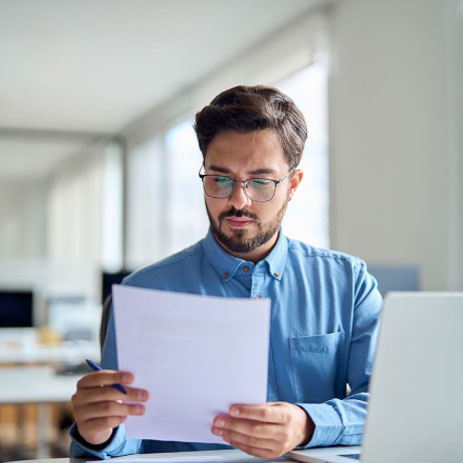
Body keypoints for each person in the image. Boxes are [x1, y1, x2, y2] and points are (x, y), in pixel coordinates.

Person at [70, 85, 382, 459]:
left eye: (261, 182)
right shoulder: (145, 292)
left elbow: (387, 403)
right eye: (220, 178)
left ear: (293, 185)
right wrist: (100, 433)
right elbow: (130, 434)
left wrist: (307, 423)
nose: (238, 200)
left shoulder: (349, 283)